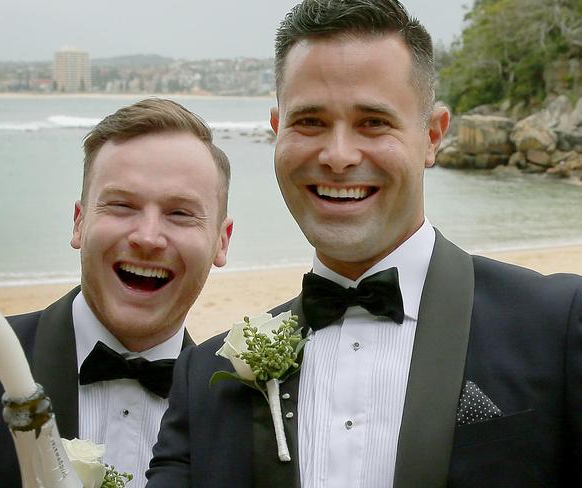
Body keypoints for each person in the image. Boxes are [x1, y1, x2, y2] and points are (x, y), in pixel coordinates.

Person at [146, 1, 582, 487]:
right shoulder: (204, 377)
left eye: (373, 122)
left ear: (433, 136)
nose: (337, 156)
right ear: (277, 131)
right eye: (309, 121)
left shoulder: (558, 325)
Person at [0, 98, 233, 487]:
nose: (147, 237)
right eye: (122, 205)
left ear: (221, 242)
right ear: (79, 222)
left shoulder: (239, 414)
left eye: (180, 213)